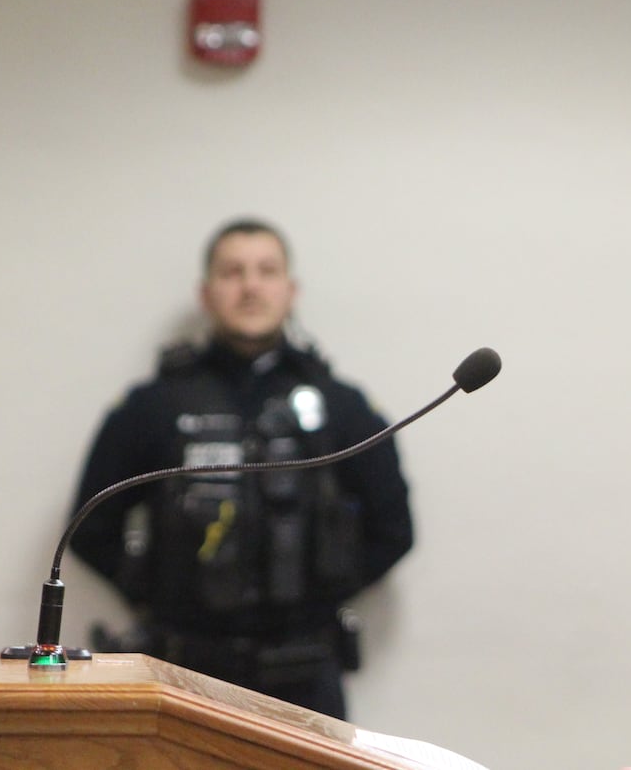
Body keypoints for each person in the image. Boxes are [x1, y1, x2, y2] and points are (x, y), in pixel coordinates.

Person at [69, 218, 413, 719]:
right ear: (206, 294)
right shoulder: (154, 406)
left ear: (290, 290)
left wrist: (317, 596)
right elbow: (89, 526)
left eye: (266, 271)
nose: (250, 286)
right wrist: (160, 594)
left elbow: (394, 529)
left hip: (305, 679)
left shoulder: (340, 405)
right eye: (233, 272)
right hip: (182, 674)